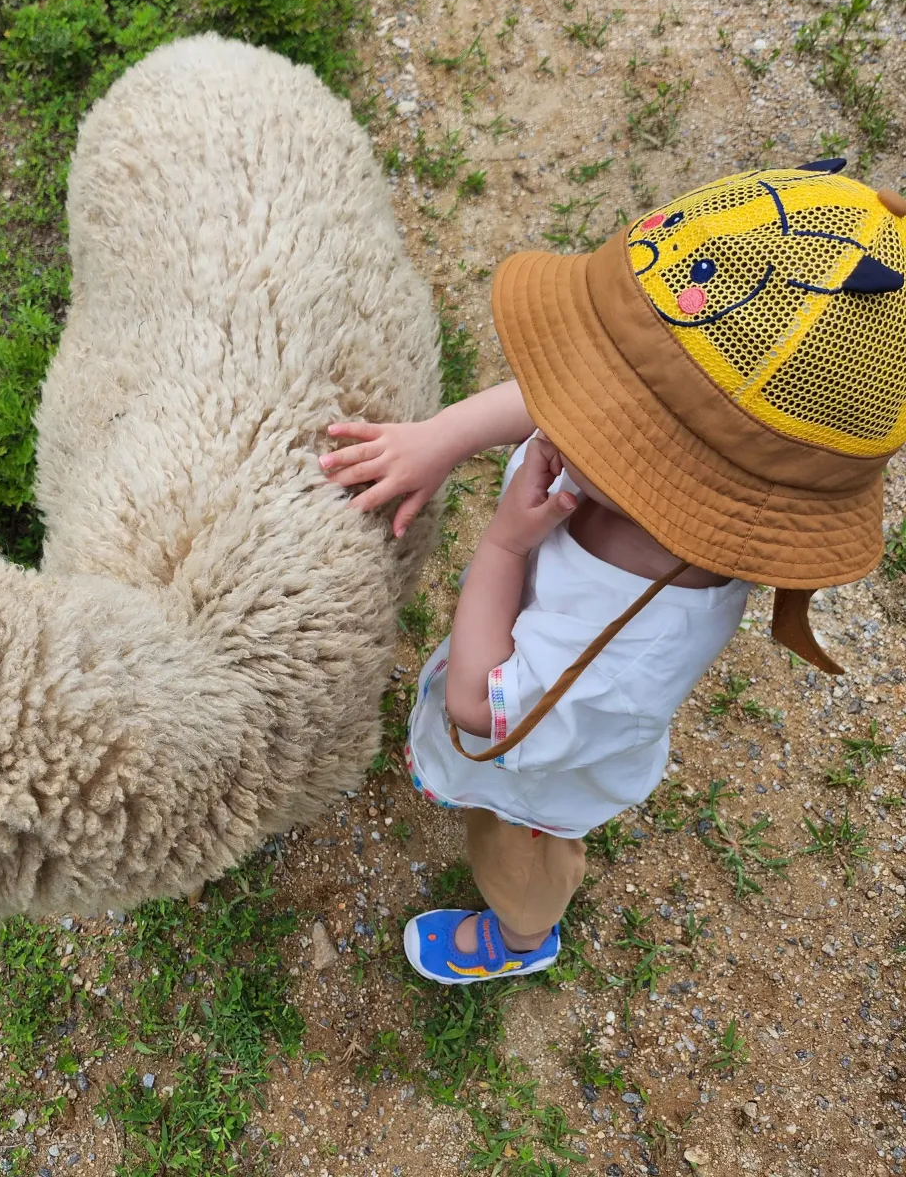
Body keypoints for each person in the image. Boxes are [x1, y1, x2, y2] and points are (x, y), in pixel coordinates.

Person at [320, 161, 906, 983]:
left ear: (682, 480)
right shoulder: (653, 467)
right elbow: (559, 394)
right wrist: (443, 437)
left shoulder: (618, 661)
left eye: (603, 409)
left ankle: (524, 939)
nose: (570, 408)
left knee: (519, 862)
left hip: (538, 779)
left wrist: (504, 547)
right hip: (521, 689)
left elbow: (478, 706)